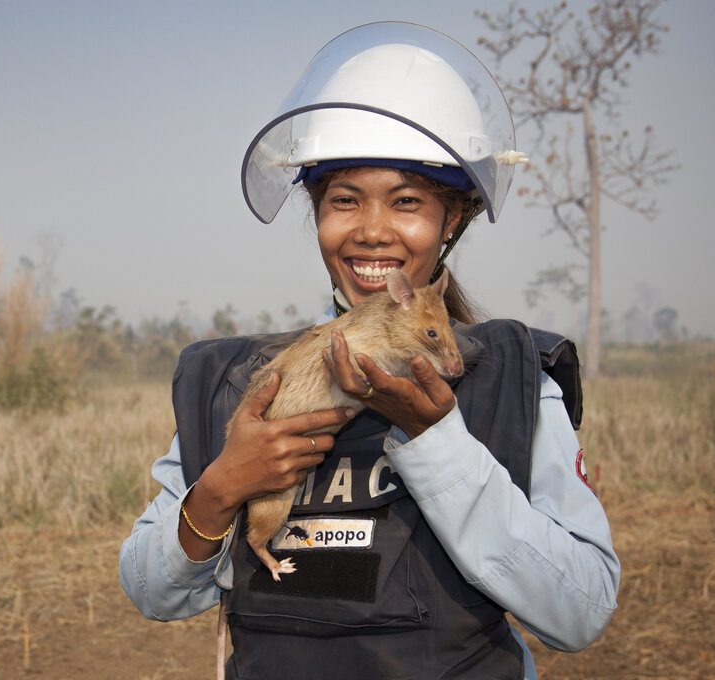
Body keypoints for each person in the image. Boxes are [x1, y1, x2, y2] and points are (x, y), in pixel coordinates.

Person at [119, 21, 619, 680]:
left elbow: (581, 610)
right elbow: (151, 590)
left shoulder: (510, 381)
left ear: (453, 220)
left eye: (406, 202)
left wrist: (436, 439)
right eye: (344, 200)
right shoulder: (239, 382)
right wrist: (220, 489)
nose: (372, 231)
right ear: (316, 212)